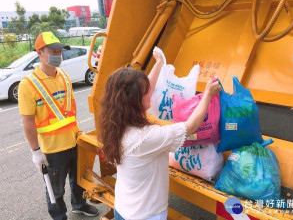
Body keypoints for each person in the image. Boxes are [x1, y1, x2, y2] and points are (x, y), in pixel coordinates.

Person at [97, 47, 221, 220]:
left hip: (123, 208)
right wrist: (208, 94)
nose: (151, 93)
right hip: (145, 215)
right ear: (134, 100)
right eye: (146, 92)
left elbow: (143, 88)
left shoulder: (116, 123)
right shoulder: (146, 137)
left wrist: (160, 63)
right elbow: (191, 127)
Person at [18, 31, 99, 220]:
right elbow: (28, 122)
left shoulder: (63, 76)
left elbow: (69, 111)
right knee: (55, 187)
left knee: (78, 179)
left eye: (59, 51)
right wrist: (35, 151)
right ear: (40, 53)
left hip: (74, 140)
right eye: (53, 51)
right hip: (52, 149)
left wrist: (78, 133)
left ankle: (79, 205)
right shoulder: (28, 84)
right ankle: (59, 216)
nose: (57, 55)